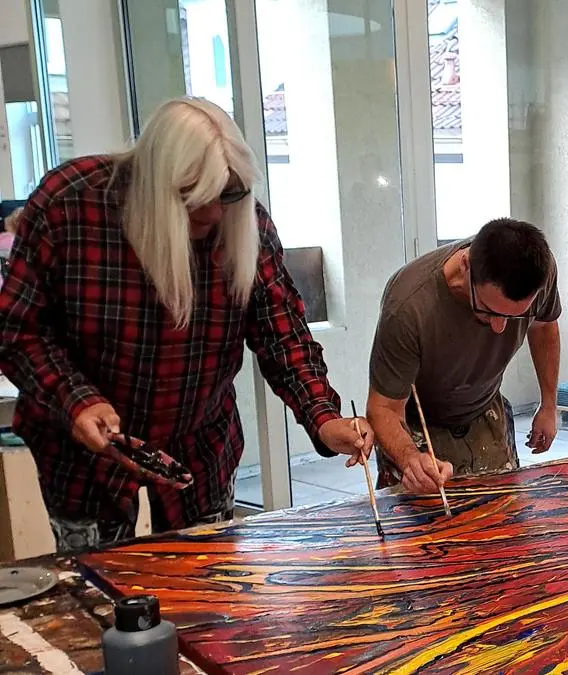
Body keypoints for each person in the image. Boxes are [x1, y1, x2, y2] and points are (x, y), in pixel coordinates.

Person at [0, 97, 375, 553]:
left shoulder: (245, 222)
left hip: (200, 448)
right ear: (156, 186)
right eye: (198, 202)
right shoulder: (70, 203)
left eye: (227, 197)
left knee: (207, 584)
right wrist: (75, 401)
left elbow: (283, 336)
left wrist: (324, 418)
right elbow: (18, 329)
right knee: (100, 585)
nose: (215, 215)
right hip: (83, 455)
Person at [367, 218, 561, 494]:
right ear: (465, 265)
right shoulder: (408, 306)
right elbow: (383, 409)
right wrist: (410, 459)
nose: (499, 328)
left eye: (516, 315)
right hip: (418, 423)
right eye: (488, 311)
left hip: (484, 408)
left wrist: (549, 405)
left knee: (499, 509)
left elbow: (544, 326)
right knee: (421, 515)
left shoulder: (538, 271)